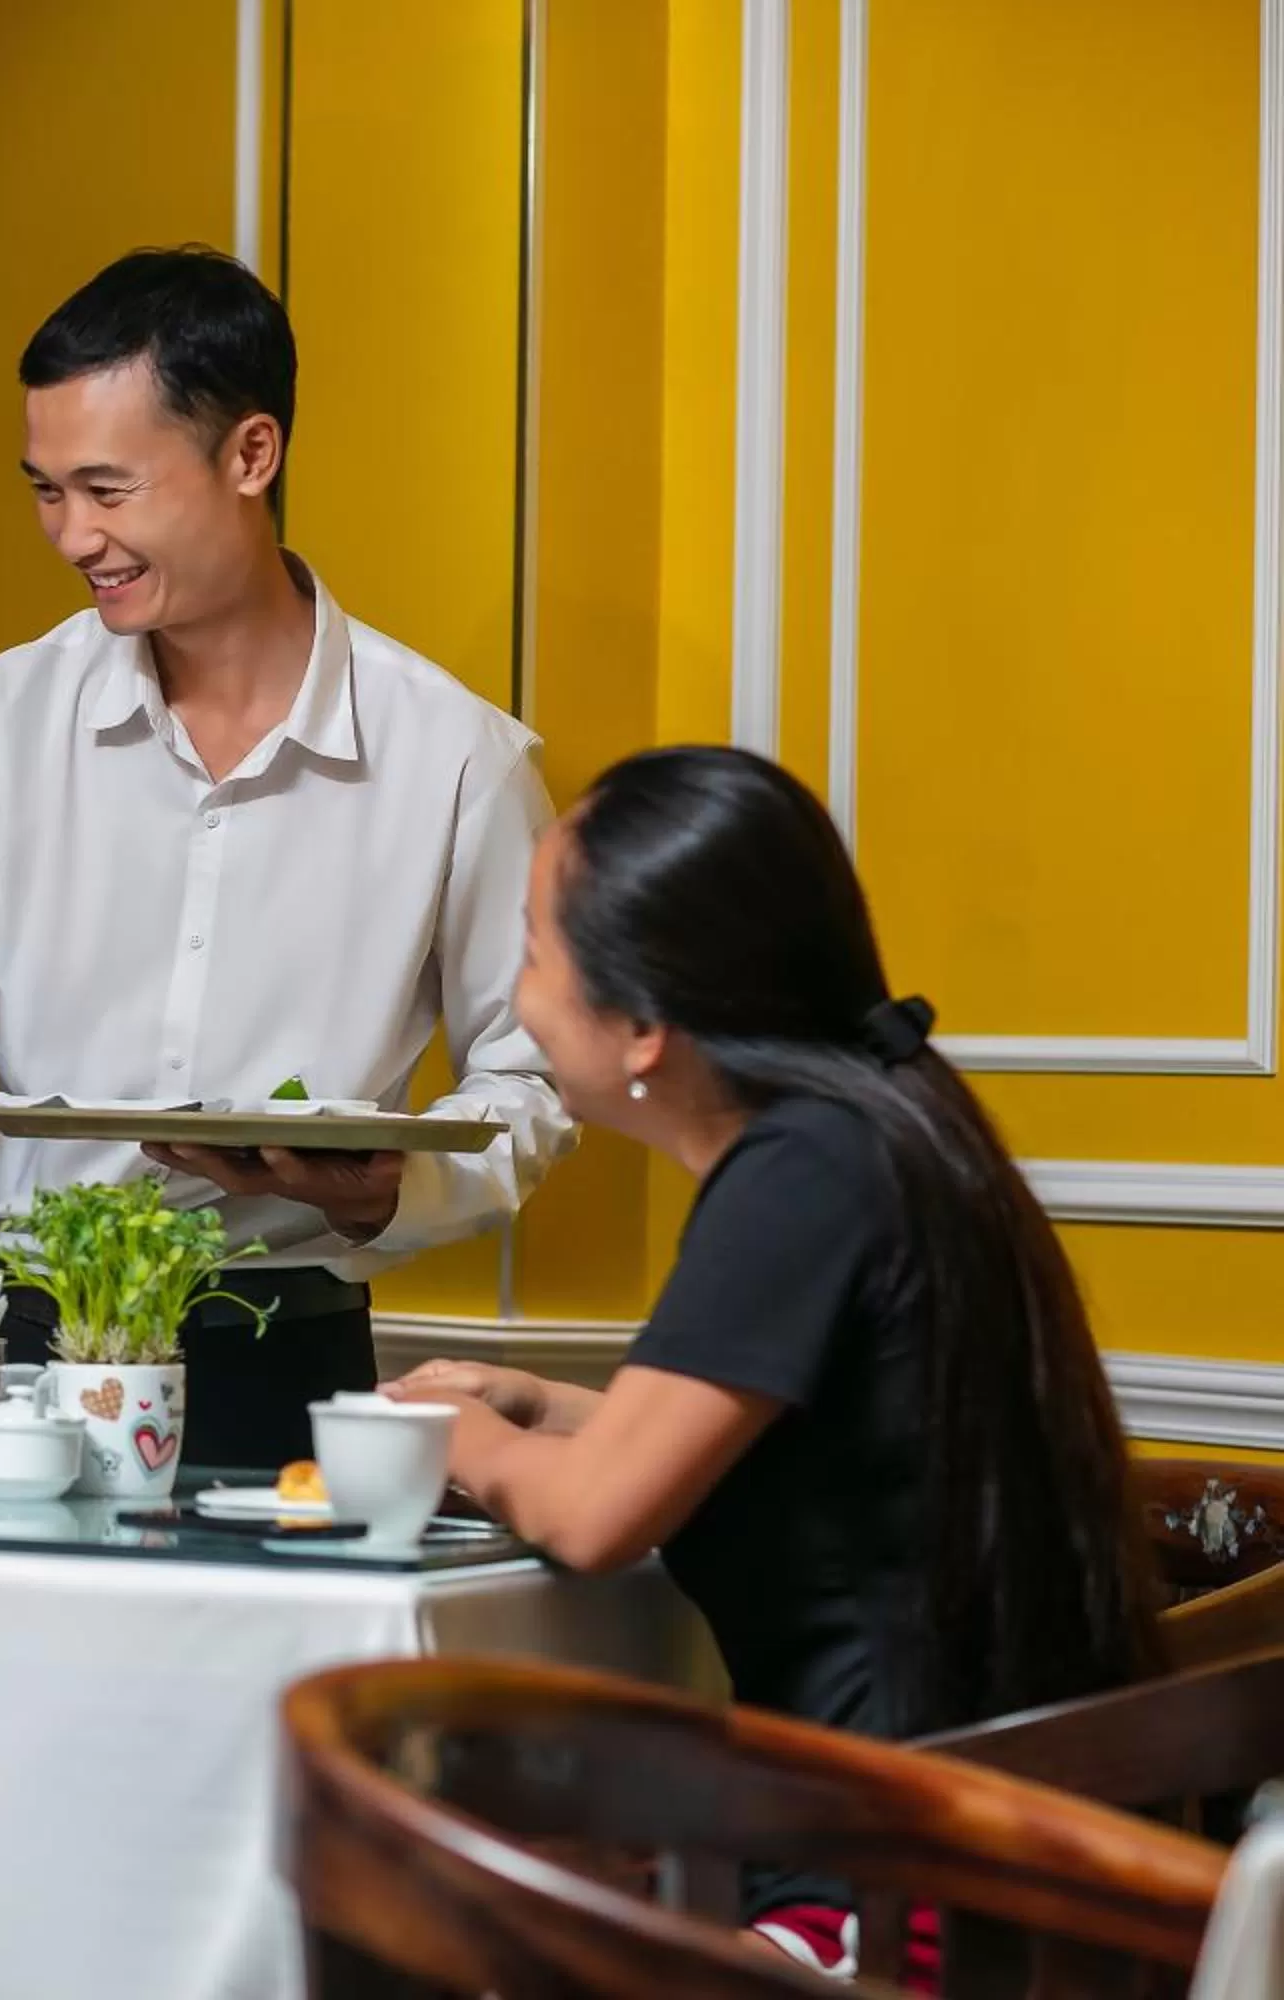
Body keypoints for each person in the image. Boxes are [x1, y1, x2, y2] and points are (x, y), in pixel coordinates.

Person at [0, 246, 572, 1467]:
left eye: (108, 489)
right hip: (21, 1343)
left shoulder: (458, 757)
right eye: (47, 490)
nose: (72, 535)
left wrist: (388, 1190)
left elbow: (529, 1082)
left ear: (251, 455)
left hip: (284, 1351)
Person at [386, 744, 1161, 1981]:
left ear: (643, 1024)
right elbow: (800, 1436)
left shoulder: (796, 1176)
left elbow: (592, 1521)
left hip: (897, 1888)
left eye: (532, 950)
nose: (517, 994)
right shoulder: (876, 1118)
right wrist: (535, 1400)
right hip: (973, 1834)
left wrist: (445, 1437)